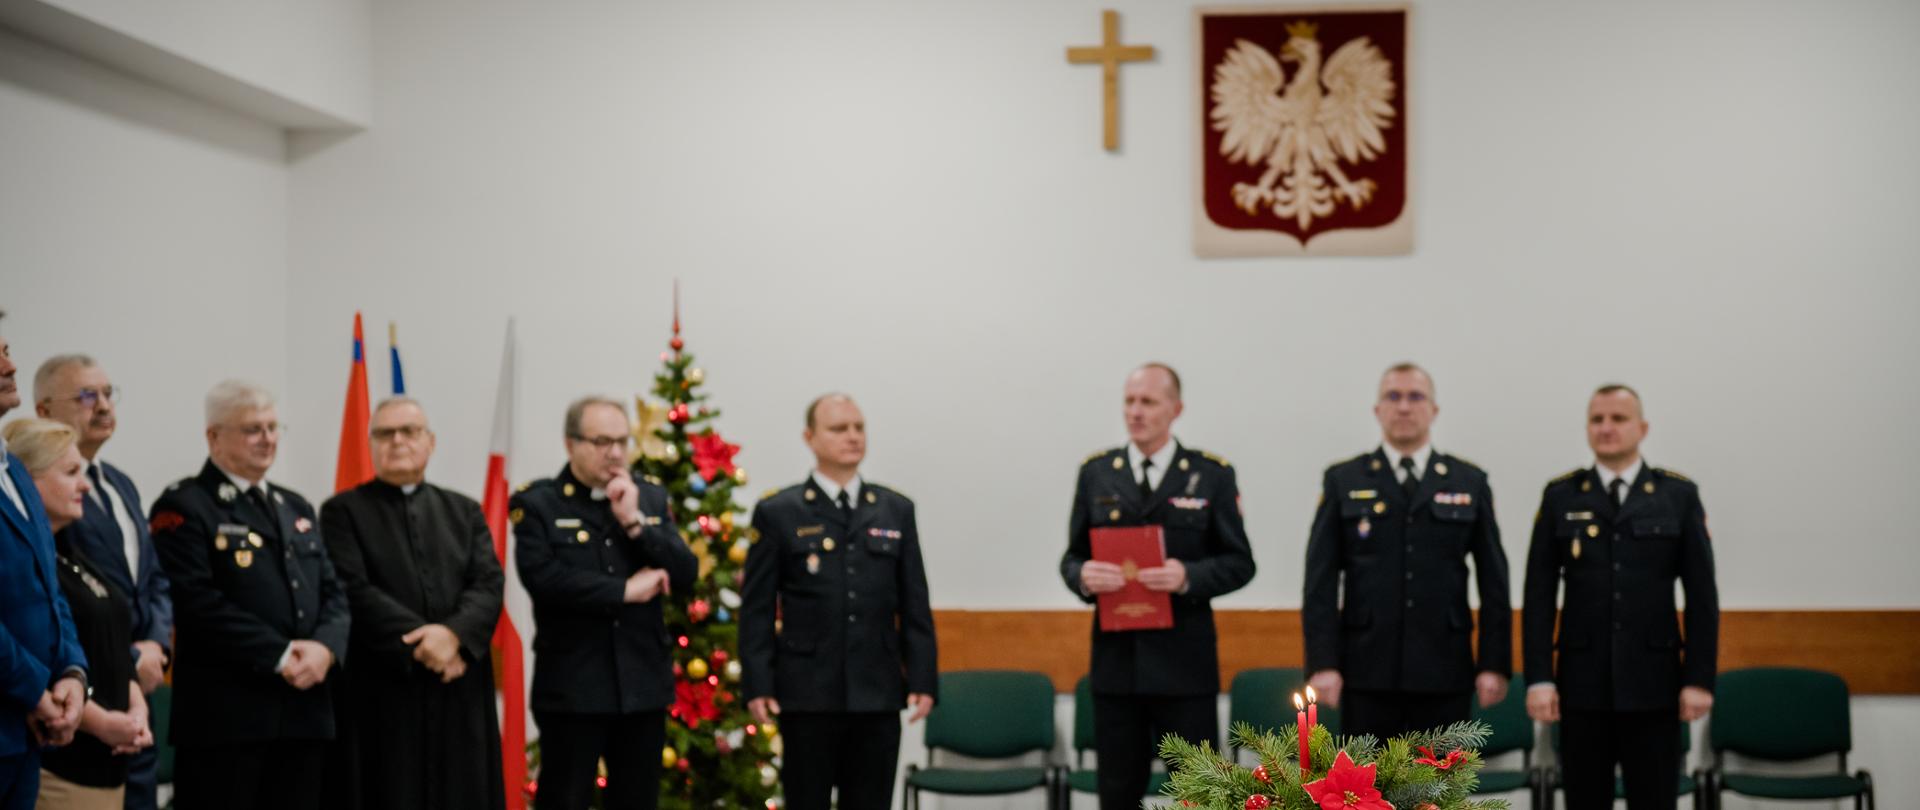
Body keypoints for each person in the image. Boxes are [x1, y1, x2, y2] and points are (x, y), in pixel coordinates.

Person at [1059, 363, 1255, 810]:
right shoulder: (1097, 473)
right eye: (1129, 401)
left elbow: (1240, 563)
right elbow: (1071, 559)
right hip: (1117, 670)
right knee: (1117, 794)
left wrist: (1188, 576)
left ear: (1176, 409)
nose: (1135, 412)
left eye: (1148, 402)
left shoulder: (1211, 475)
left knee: (1199, 796)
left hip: (1185, 670)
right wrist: (1082, 577)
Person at [148, 381, 350, 810]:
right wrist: (282, 654)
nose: (268, 439)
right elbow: (196, 602)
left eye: (274, 427)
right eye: (253, 429)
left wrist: (325, 650)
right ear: (213, 436)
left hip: (304, 712)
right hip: (227, 719)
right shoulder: (185, 505)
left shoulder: (294, 506)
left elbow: (333, 592)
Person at [1522, 384, 1718, 810]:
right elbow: (1538, 594)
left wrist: (1699, 678)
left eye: (1618, 418)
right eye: (1597, 419)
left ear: (1642, 428)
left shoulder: (1677, 496)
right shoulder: (1561, 496)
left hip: (1655, 684)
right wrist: (1539, 676)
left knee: (1654, 800)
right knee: (1584, 801)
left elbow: (1702, 596)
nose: (1606, 428)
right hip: (1580, 685)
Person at [741, 394, 937, 810]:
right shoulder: (779, 511)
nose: (852, 437)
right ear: (810, 438)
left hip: (877, 689)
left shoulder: (894, 509)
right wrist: (758, 682)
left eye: (859, 427)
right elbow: (757, 607)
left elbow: (914, 602)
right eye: (838, 428)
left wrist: (922, 677)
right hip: (807, 691)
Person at [1301, 362, 1511, 741]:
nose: (1403, 407)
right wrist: (1323, 663)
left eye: (1415, 397)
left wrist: (1494, 663)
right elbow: (1320, 581)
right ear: (1377, 410)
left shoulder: (1469, 481)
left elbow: (1495, 579)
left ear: (1434, 410)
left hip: (1445, 670)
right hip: (1366, 672)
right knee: (1366, 795)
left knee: (1441, 796)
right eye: (1392, 397)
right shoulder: (1344, 479)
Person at [319, 397, 505, 810]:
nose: (398, 441)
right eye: (385, 433)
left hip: (458, 684)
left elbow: (489, 582)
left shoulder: (465, 510)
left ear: (430, 442)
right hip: (384, 688)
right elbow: (353, 588)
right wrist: (428, 646)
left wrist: (454, 637)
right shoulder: (341, 512)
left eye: (410, 431)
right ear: (371, 444)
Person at [512, 396, 694, 810]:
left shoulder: (646, 498)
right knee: (565, 797)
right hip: (573, 686)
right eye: (600, 441)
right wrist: (624, 592)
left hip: (642, 684)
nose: (614, 452)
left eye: (621, 441)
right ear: (570, 443)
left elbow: (685, 572)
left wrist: (634, 522)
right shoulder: (539, 504)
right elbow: (544, 579)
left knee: (637, 799)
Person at [33, 355, 170, 810]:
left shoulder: (120, 485)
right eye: (87, 396)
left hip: (136, 705)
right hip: (88, 706)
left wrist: (155, 646)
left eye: (109, 393)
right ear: (44, 410)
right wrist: (129, 658)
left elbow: (151, 580)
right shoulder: (44, 497)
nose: (105, 406)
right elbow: (64, 602)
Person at [4, 419, 152, 810]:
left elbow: (114, 643)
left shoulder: (72, 556)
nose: (85, 485)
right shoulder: (31, 568)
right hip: (63, 761)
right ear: (27, 483)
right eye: (71, 473)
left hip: (110, 765)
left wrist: (136, 706)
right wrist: (100, 722)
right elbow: (35, 652)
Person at [0, 314, 90, 810]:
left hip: (28, 736)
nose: (10, 366)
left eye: (8, 349)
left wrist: (73, 674)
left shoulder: (13, 469)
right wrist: (37, 690)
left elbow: (48, 590)